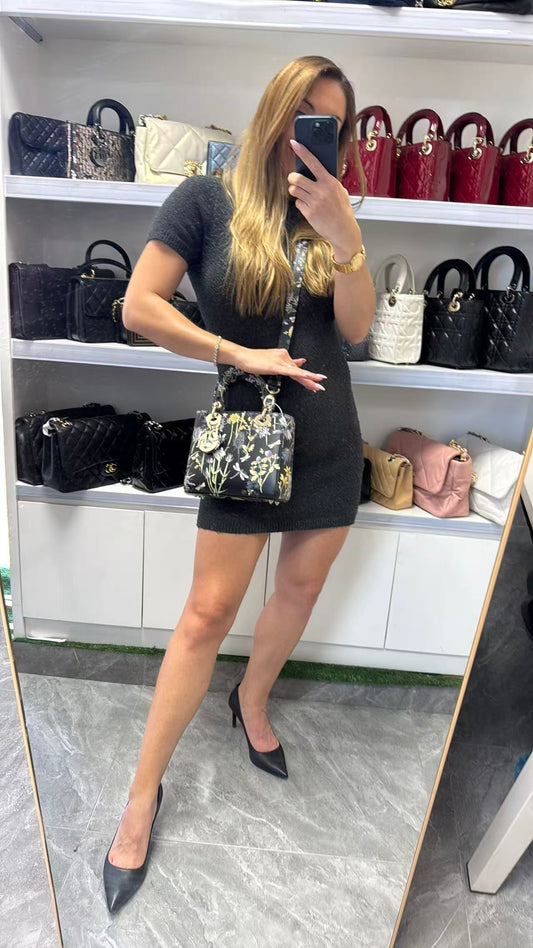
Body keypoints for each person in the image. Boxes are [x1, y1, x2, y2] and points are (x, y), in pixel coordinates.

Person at [103, 54, 376, 913]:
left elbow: (356, 331)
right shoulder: (204, 200)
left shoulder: (334, 210)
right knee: (206, 615)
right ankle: (142, 795)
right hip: (247, 436)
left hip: (327, 436)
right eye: (304, 114)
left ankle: (252, 700)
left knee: (298, 589)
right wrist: (237, 353)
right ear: (274, 110)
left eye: (332, 124)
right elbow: (140, 306)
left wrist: (345, 235)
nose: (314, 136)